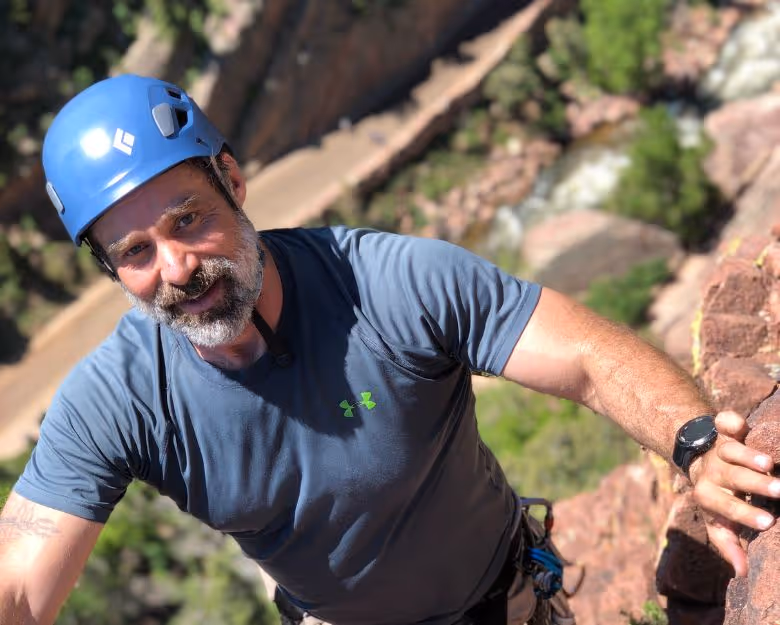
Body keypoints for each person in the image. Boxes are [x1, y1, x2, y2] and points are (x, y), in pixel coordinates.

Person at [0, 74, 777, 625]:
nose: (176, 268)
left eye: (187, 219)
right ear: (111, 270)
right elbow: (23, 589)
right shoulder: (117, 400)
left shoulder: (385, 283)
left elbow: (582, 354)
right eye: (135, 251)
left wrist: (696, 440)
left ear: (233, 181)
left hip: (505, 602)